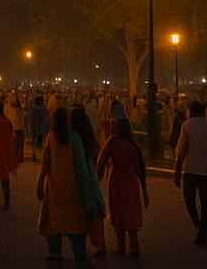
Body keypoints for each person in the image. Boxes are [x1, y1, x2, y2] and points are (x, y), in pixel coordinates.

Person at [37, 107, 103, 263]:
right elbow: (81, 169)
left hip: (54, 191)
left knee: (54, 226)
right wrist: (88, 196)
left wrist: (40, 184)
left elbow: (45, 164)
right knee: (76, 229)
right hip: (73, 192)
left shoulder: (51, 137)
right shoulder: (74, 138)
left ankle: (55, 254)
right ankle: (80, 257)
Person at [173, 100, 207, 246]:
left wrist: (177, 173)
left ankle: (199, 225)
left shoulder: (187, 125)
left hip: (190, 170)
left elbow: (182, 152)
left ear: (192, 111)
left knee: (189, 201)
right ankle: (203, 229)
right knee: (206, 204)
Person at [96, 118, 149, 256]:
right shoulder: (133, 145)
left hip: (117, 181)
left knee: (118, 213)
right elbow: (139, 169)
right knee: (131, 213)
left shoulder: (112, 142)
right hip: (131, 182)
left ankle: (121, 247)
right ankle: (134, 246)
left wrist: (97, 178)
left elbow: (101, 160)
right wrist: (144, 190)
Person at [70, 106, 109, 257]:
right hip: (92, 179)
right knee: (96, 213)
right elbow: (99, 160)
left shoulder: (73, 138)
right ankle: (100, 244)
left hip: (82, 180)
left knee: (83, 213)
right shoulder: (90, 138)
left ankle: (85, 247)